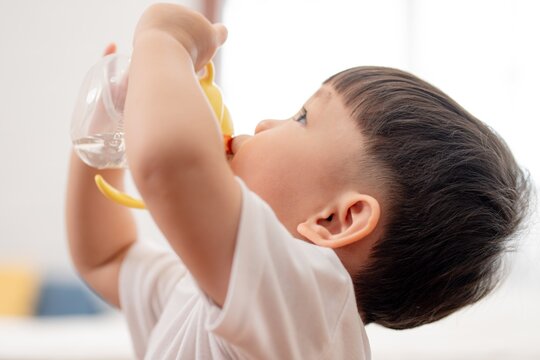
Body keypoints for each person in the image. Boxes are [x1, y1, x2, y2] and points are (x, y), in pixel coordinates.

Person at [65, 3, 532, 359]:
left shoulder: (310, 307)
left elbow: (172, 166)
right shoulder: (225, 298)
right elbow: (106, 258)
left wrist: (164, 38)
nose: (267, 123)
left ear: (336, 220)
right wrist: (110, 126)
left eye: (302, 117)